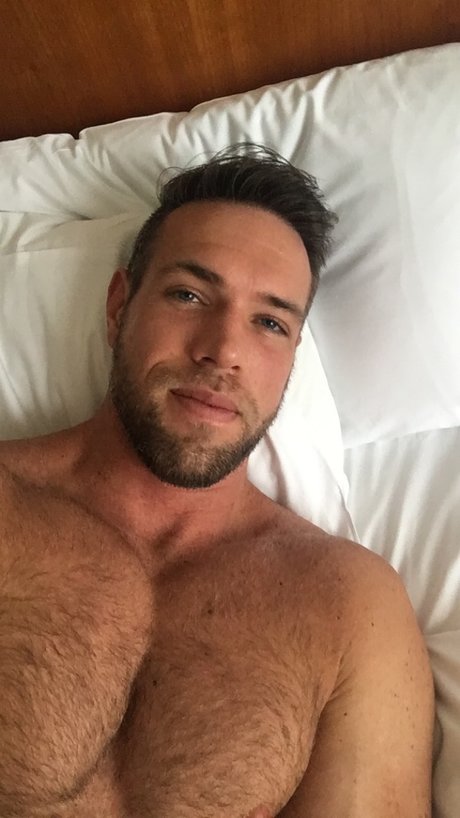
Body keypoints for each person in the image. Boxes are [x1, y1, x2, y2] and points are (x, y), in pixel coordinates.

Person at [0, 144, 434, 818]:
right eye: (189, 294)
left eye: (269, 322)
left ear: (291, 360)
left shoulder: (352, 609)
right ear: (119, 308)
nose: (223, 351)